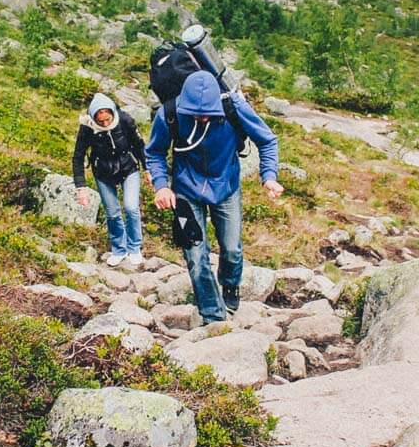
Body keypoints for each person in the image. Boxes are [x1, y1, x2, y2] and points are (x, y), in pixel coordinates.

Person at [145, 70, 283, 324]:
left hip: (226, 187)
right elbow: (153, 152)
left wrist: (269, 176)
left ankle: (230, 287)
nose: (203, 117)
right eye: (196, 113)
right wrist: (162, 186)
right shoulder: (170, 114)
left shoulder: (234, 107)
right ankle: (213, 316)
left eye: (208, 112)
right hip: (185, 191)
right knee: (195, 255)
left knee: (231, 249)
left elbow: (268, 140)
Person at [72, 93, 147, 266]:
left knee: (131, 207)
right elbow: (78, 157)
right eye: (101, 121)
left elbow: (139, 146)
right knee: (113, 212)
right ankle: (119, 249)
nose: (105, 123)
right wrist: (81, 187)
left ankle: (134, 248)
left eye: (107, 119)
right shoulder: (87, 127)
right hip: (103, 172)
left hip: (128, 168)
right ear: (93, 118)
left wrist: (149, 170)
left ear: (113, 113)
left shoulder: (125, 120)